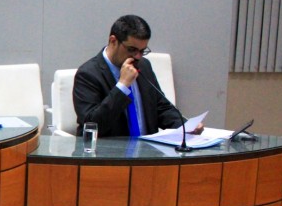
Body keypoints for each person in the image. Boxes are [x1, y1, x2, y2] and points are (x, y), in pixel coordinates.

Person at [73, 14, 201, 137]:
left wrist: (185, 126)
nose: (138, 56)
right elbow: (92, 125)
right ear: (113, 41)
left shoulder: (144, 66)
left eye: (142, 51)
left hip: (147, 149)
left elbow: (161, 108)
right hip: (111, 150)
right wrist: (122, 86)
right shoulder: (88, 74)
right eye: (132, 50)